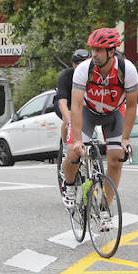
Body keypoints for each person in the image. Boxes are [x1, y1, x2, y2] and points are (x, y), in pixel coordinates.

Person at [61, 29, 138, 205]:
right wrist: (78, 140)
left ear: (111, 51)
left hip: (114, 113)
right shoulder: (83, 69)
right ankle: (69, 184)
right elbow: (77, 105)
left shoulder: (128, 70)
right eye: (93, 49)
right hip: (87, 112)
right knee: (73, 152)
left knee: (116, 159)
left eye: (99, 50)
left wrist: (125, 138)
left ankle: (104, 207)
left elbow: (132, 106)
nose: (94, 54)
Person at [53, 49, 86, 180]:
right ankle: (66, 150)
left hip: (82, 105)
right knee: (69, 120)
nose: (81, 66)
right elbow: (62, 103)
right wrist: (70, 122)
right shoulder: (66, 76)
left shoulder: (92, 75)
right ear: (73, 65)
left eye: (84, 63)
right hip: (65, 104)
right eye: (78, 63)